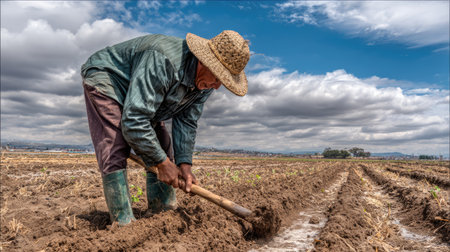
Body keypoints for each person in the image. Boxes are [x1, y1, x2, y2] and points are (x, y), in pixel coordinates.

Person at [81, 30, 250, 226]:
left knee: (162, 143)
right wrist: (162, 164)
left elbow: (187, 121)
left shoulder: (204, 85)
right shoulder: (163, 61)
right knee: (115, 144)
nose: (218, 86)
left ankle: (162, 211)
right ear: (204, 62)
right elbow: (135, 119)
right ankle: (123, 222)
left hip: (142, 92)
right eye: (218, 77)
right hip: (109, 78)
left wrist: (184, 165)